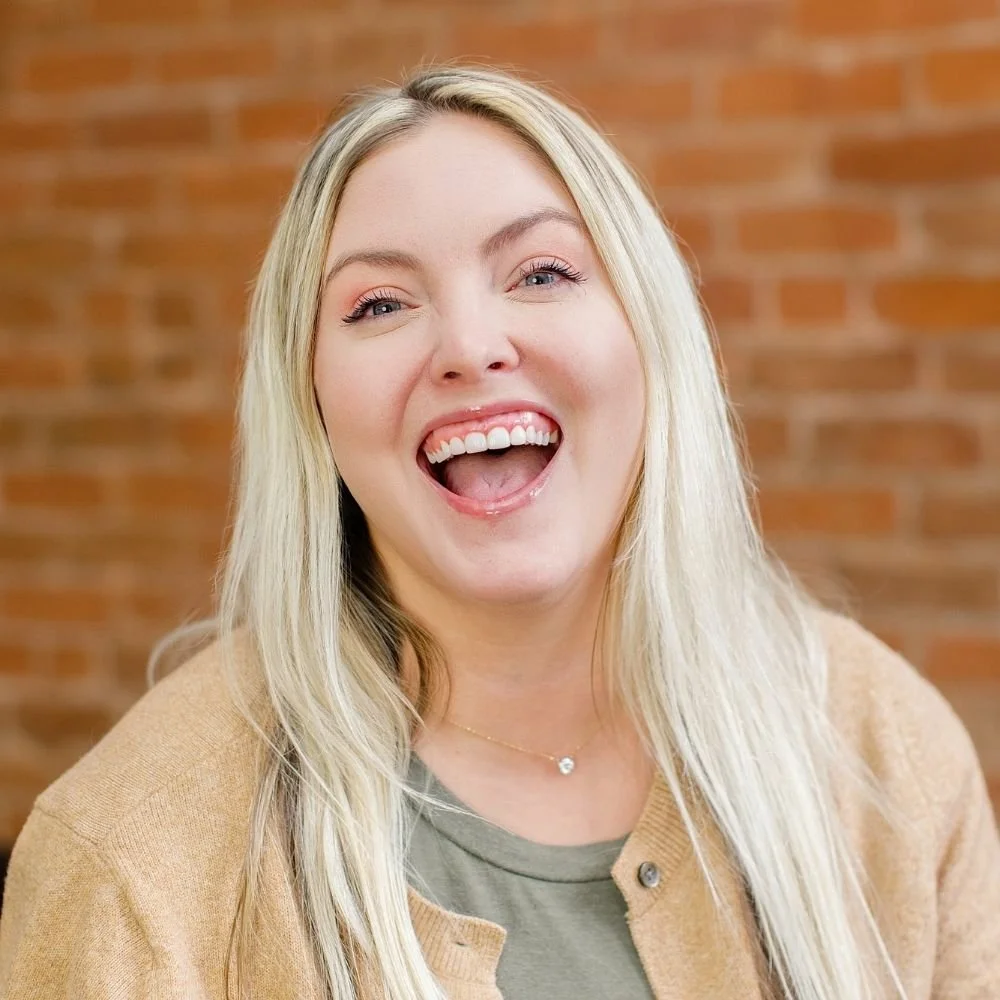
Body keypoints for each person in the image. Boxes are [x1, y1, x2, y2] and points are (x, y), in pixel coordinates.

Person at [0, 64, 998, 1000]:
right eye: (379, 302)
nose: (472, 347)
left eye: (542, 273)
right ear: (310, 397)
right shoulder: (130, 858)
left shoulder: (880, 747)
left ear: (650, 333)